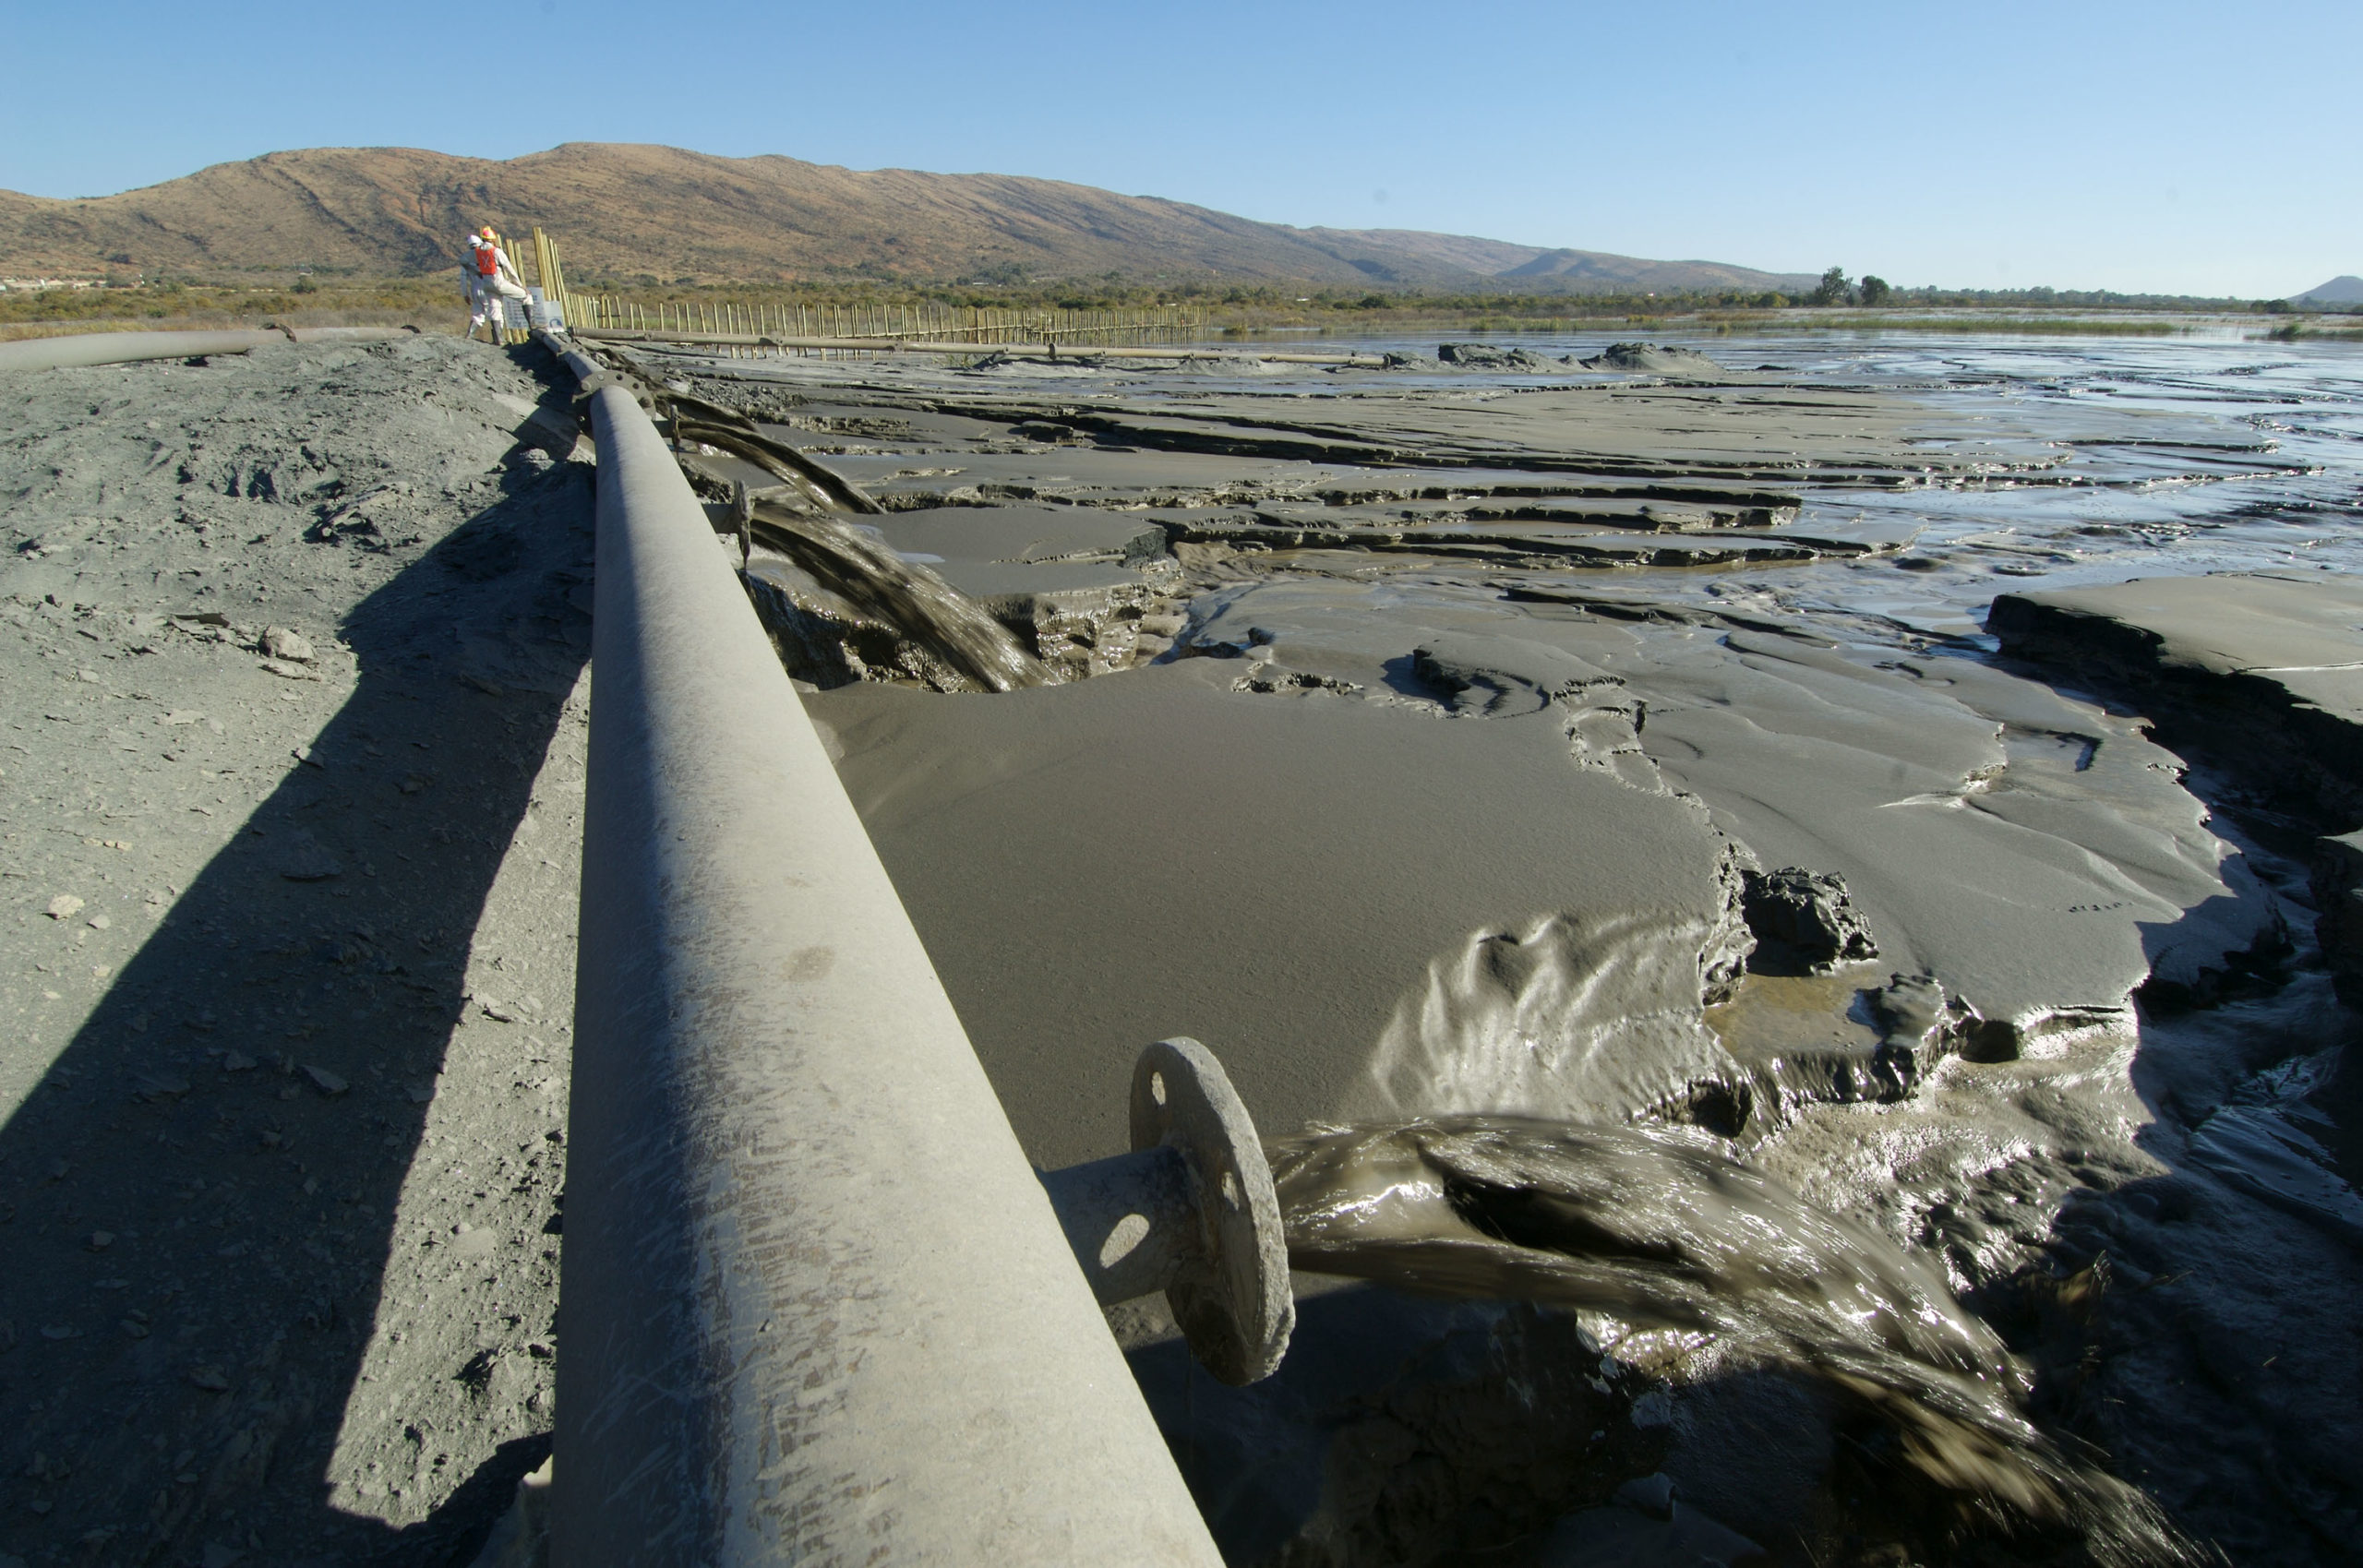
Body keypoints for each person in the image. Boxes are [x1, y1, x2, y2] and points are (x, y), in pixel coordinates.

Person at [463, 226, 530, 343]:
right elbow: (509, 269)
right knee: (525, 296)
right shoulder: (495, 251)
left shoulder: (475, 253)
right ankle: (532, 325)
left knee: (492, 310)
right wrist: (519, 284)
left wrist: (475, 273)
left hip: (484, 285)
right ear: (493, 239)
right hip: (498, 282)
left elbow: (463, 264)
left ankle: (496, 338)